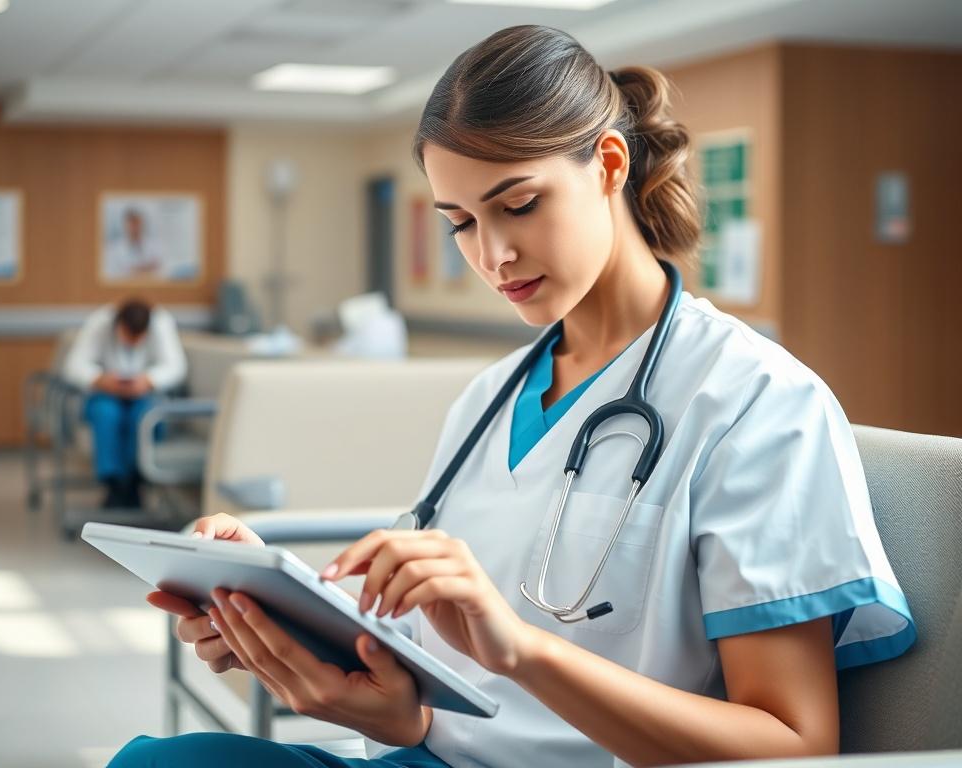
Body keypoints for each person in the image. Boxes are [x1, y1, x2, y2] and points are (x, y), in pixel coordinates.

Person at [111, 25, 915, 768]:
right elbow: (436, 696)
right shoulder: (491, 399)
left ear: (607, 165)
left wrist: (524, 651)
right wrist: (288, 624)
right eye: (460, 222)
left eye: (519, 204)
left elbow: (792, 747)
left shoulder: (756, 400)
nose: (493, 254)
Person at [63, 299, 186, 509]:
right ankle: (115, 484)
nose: (133, 343)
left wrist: (149, 380)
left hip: (145, 395)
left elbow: (176, 366)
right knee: (106, 413)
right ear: (117, 325)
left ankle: (135, 480)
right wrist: (100, 379)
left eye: (139, 337)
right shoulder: (99, 322)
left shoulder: (161, 323)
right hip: (106, 393)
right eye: (128, 335)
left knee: (144, 415)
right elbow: (73, 365)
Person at [104, 209, 164, 279]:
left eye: (137, 224)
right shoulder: (114, 248)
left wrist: (133, 269)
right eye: (132, 225)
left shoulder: (155, 244)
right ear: (125, 226)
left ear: (142, 225)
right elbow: (113, 274)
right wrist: (144, 268)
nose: (135, 228)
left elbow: (159, 267)